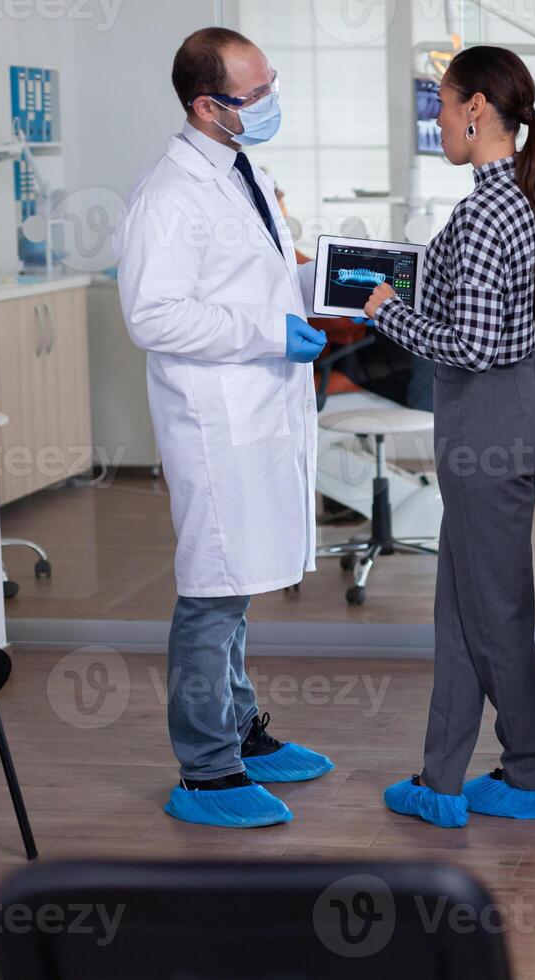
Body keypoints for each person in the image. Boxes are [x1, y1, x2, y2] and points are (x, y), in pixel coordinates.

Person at [117, 27, 334, 829]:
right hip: (214, 421)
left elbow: (261, 277)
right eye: (258, 92)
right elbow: (153, 314)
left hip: (260, 406)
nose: (272, 101)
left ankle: (241, 729)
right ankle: (206, 770)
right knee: (212, 591)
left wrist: (332, 282)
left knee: (236, 584)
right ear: (208, 106)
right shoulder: (166, 196)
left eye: (272, 81)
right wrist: (269, 333)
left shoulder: (242, 169)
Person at [361, 46, 535, 829]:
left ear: (478, 107)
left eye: (443, 106)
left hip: (491, 415)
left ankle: (524, 779)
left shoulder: (486, 210)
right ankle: (445, 779)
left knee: (492, 612)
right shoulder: (514, 195)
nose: (439, 121)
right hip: (510, 410)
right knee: (464, 606)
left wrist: (384, 309)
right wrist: (409, 278)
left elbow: (476, 346)